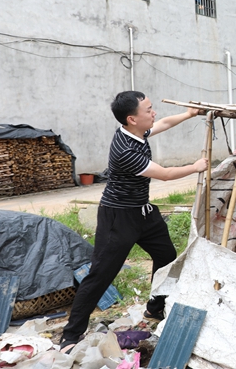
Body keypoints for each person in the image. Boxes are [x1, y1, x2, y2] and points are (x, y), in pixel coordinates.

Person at [60, 91, 207, 354]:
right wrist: (195, 167)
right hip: (118, 218)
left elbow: (163, 124)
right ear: (132, 119)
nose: (154, 113)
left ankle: (155, 308)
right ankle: (70, 335)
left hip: (144, 213)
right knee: (101, 274)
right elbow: (165, 174)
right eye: (148, 110)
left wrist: (188, 114)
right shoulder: (125, 150)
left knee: (166, 256)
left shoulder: (137, 131)